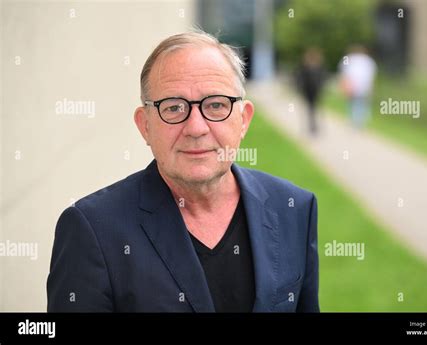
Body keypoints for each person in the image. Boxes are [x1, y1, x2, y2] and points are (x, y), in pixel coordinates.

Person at [47, 31, 319, 313]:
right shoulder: (92, 230)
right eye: (174, 108)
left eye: (216, 105)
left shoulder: (294, 208)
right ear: (145, 126)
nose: (196, 128)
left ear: (243, 120)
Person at [338, 45, 377, 128]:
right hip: (362, 86)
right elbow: (372, 74)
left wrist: (344, 84)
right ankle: (359, 120)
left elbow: (343, 71)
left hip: (353, 85)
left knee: (353, 103)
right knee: (360, 103)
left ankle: (355, 120)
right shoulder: (368, 60)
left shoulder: (348, 58)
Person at [296, 48, 326, 134]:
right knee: (311, 109)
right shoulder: (305, 68)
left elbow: (323, 79)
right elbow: (299, 78)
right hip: (308, 91)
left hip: (316, 91)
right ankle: (312, 126)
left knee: (313, 109)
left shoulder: (319, 67)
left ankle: (314, 126)